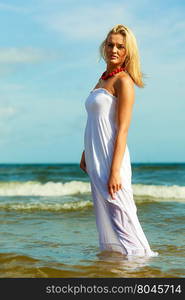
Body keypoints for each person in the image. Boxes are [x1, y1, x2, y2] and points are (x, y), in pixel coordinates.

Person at [80, 24, 158, 257]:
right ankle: (118, 269)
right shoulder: (102, 79)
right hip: (96, 158)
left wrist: (115, 172)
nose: (114, 50)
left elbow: (122, 130)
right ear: (104, 47)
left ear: (127, 52)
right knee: (109, 219)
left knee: (122, 216)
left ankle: (141, 266)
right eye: (110, 44)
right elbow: (95, 120)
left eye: (120, 47)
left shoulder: (124, 81)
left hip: (112, 160)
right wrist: (85, 153)